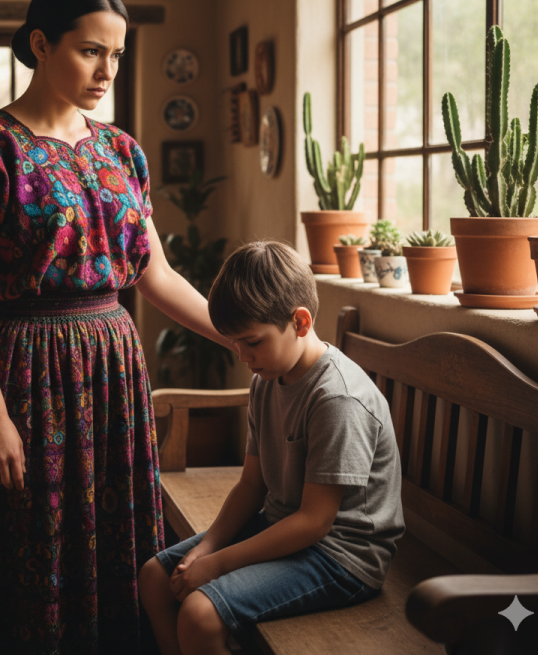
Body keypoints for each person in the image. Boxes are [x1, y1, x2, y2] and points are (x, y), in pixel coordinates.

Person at [0, 0, 233, 655]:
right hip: (25, 374)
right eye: (91, 51)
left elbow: (156, 275)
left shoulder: (121, 150)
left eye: (117, 55)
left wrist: (240, 335)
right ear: (41, 44)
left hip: (112, 370)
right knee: (29, 539)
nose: (107, 71)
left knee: (113, 540)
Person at [139, 241, 405, 655]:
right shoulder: (266, 381)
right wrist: (207, 549)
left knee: (199, 614)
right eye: (235, 343)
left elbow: (314, 522)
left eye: (252, 342)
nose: (242, 356)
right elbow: (251, 485)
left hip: (341, 556)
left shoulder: (338, 399)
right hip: (281, 526)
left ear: (300, 322)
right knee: (155, 578)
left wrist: (217, 564)